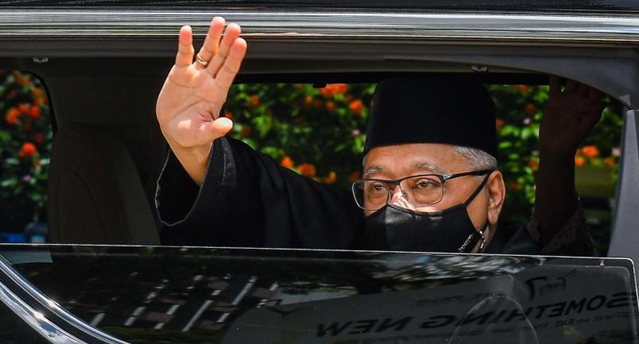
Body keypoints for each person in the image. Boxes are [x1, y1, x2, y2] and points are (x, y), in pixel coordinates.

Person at [155, 17, 604, 255]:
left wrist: (555, 155)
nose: (395, 206)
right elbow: (260, 196)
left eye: (426, 184)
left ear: (493, 194)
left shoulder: (529, 269)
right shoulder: (349, 232)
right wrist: (193, 147)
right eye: (378, 185)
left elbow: (569, 260)